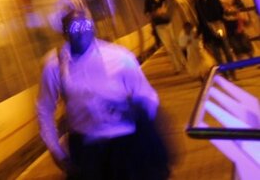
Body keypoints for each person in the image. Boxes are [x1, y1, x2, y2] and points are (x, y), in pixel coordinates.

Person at [37, 10, 167, 179]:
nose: (81, 30)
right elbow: (44, 110)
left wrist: (135, 113)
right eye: (75, 27)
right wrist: (56, 151)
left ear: (93, 28)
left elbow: (148, 96)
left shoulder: (119, 57)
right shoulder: (54, 67)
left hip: (126, 144)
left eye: (85, 25)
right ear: (65, 34)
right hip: (87, 150)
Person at [144, 0, 184, 73]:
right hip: (159, 25)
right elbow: (147, 14)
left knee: (175, 43)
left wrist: (166, 10)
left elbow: (174, 5)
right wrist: (156, 13)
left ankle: (182, 62)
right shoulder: (148, 0)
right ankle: (177, 66)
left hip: (170, 22)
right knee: (168, 47)